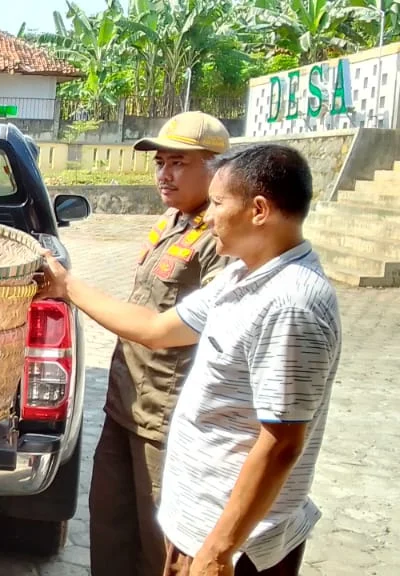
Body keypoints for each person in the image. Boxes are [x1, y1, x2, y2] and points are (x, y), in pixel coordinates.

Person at [37, 143, 341, 576]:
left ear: (258, 210)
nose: (210, 216)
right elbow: (156, 329)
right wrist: (66, 286)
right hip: (200, 526)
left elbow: (281, 444)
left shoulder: (292, 303)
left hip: (238, 548)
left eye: (218, 203)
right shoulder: (242, 275)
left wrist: (220, 550)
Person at [89, 111, 231, 576]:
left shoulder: (220, 238)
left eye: (178, 163)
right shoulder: (173, 221)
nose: (164, 174)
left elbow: (190, 328)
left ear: (216, 169)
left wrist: (69, 287)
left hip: (167, 421)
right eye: (160, 163)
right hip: (125, 405)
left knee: (161, 546)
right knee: (111, 529)